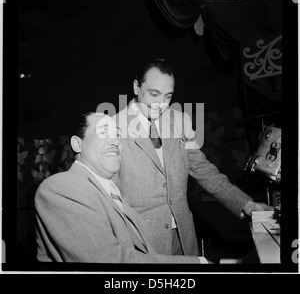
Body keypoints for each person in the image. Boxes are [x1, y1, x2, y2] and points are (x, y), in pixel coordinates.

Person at [112, 58, 273, 256]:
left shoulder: (179, 120)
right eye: (154, 94)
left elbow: (204, 172)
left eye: (168, 96)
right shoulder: (112, 128)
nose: (161, 104)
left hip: (183, 238)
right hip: (140, 244)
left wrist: (247, 204)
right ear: (136, 87)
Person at [35, 112, 206, 263]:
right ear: (77, 144)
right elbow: (106, 261)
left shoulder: (112, 191)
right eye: (103, 133)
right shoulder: (62, 187)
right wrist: (198, 264)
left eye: (117, 135)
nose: (115, 142)